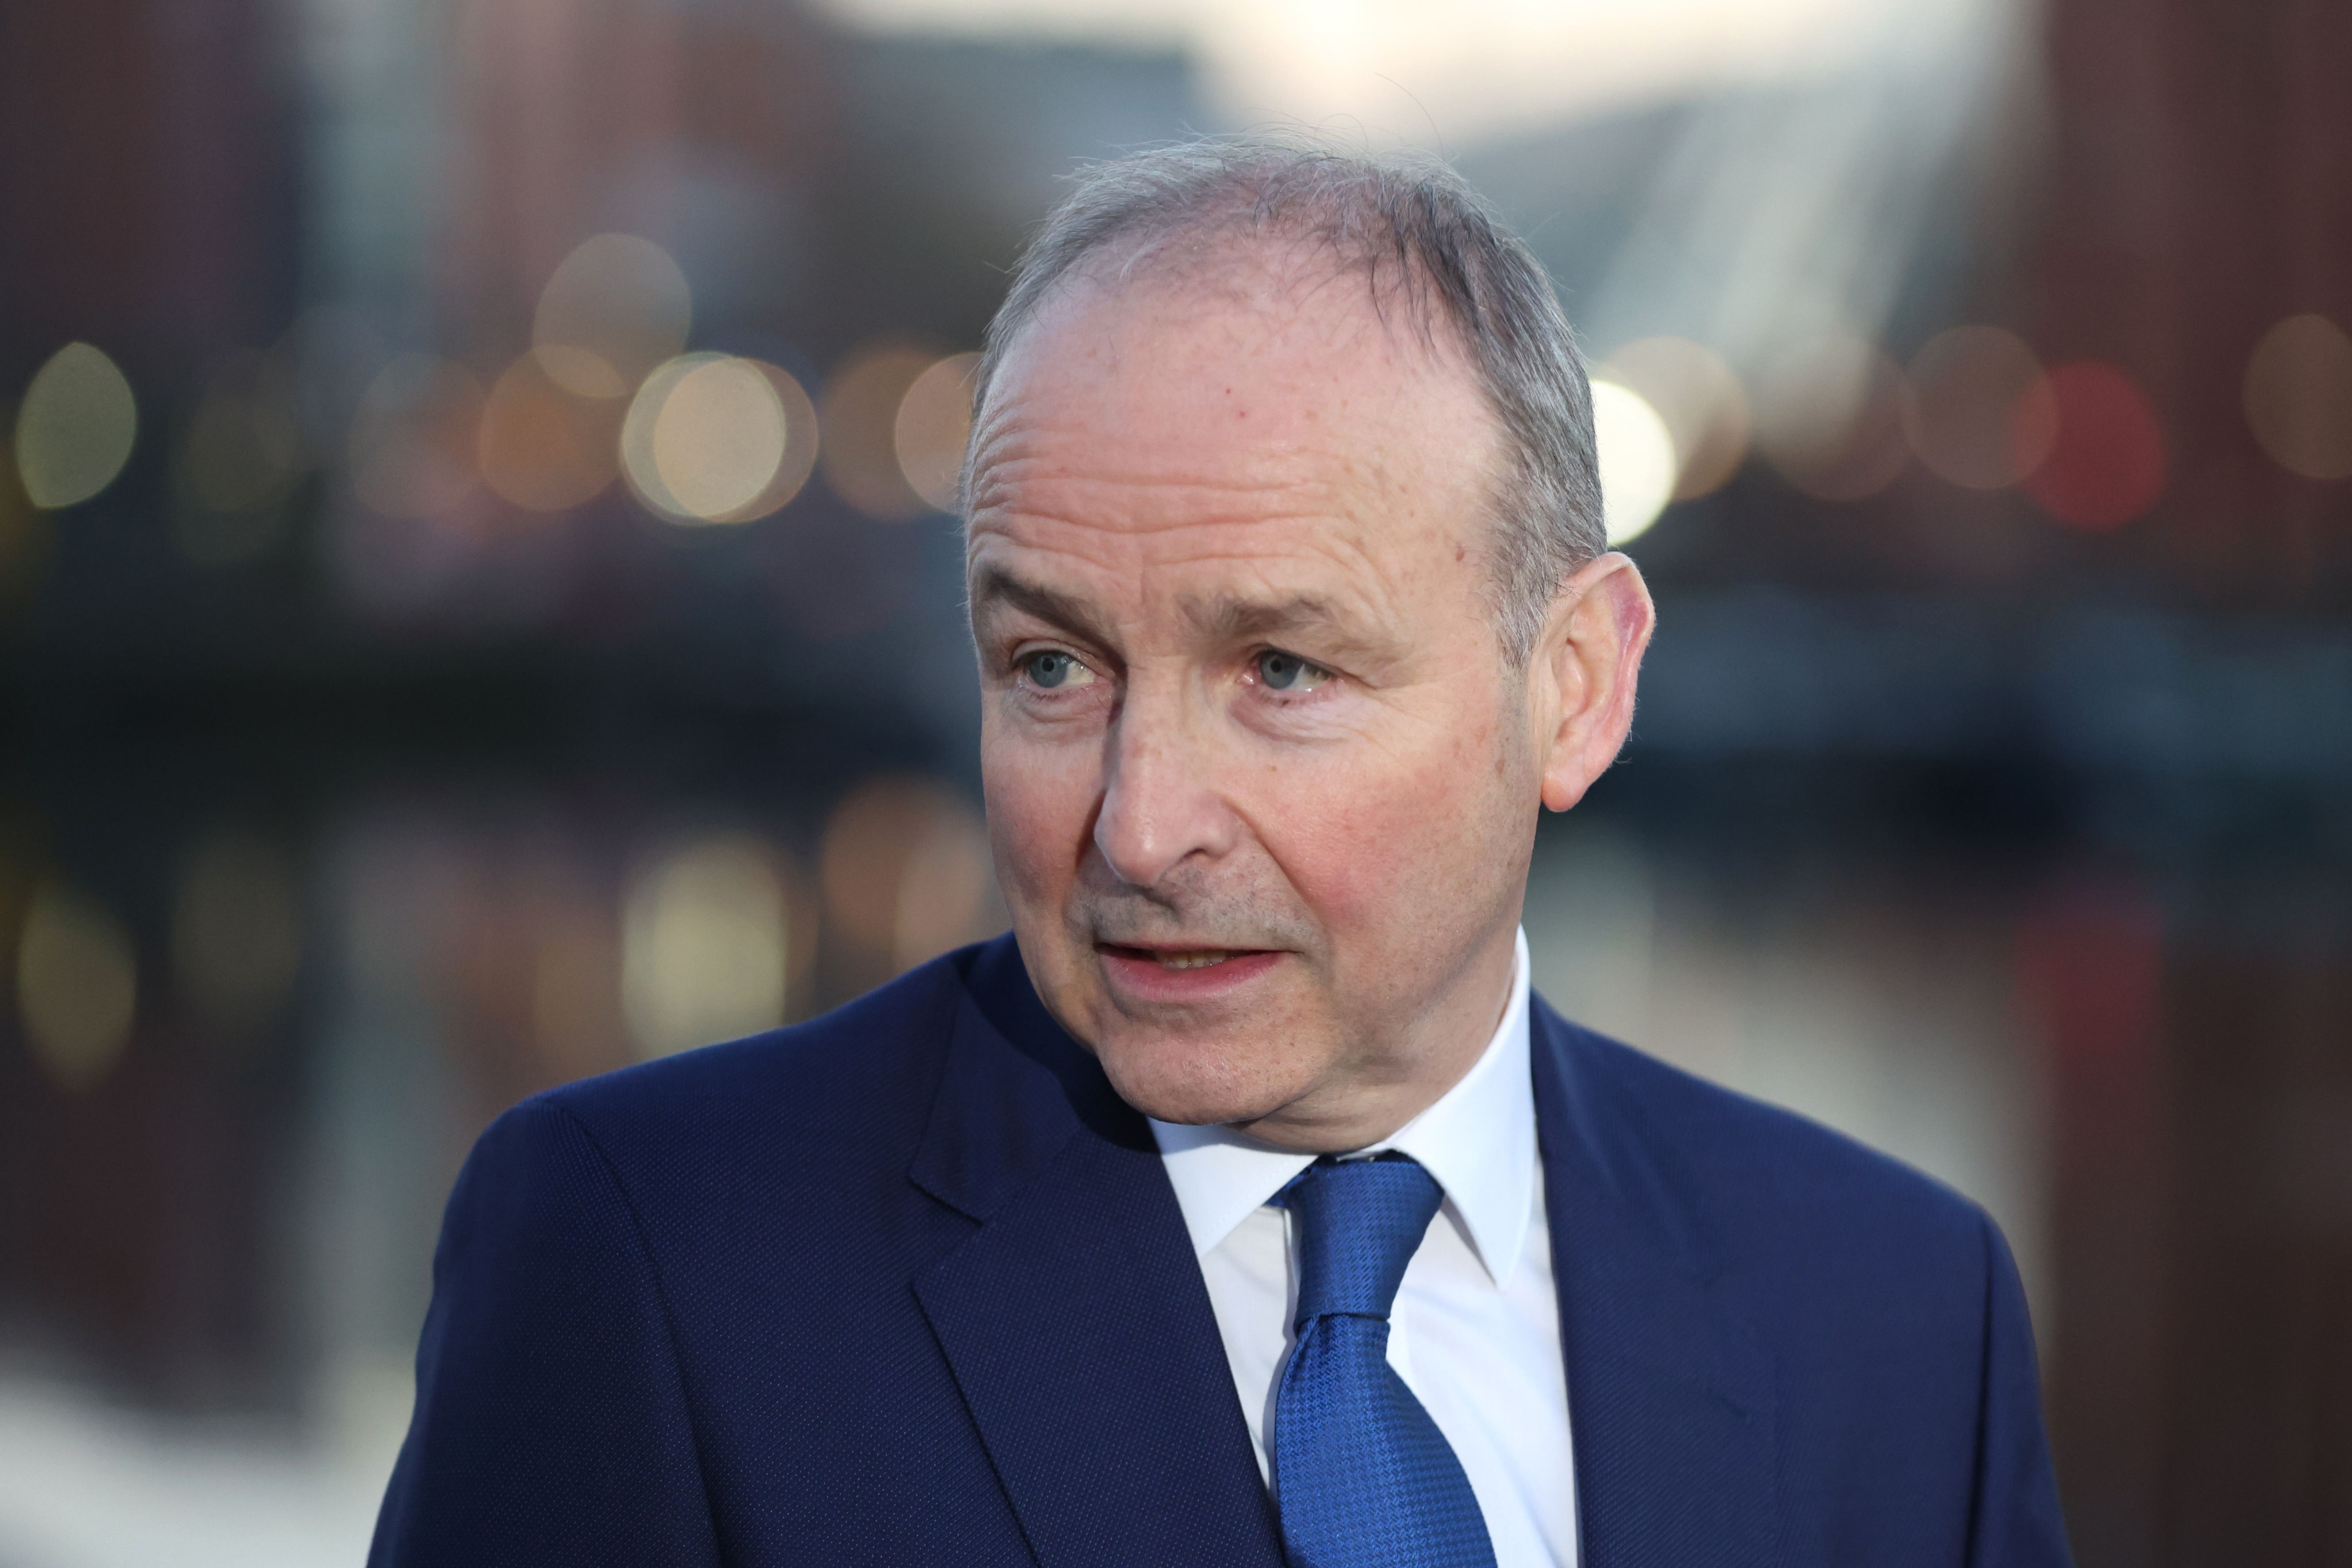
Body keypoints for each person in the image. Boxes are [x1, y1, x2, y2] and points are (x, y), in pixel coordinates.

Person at [371, 137, 2072, 1567]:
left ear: (1574, 688)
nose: (1139, 821)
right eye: (1052, 666)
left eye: (1282, 669)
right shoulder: (650, 1266)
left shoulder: (1906, 1317)